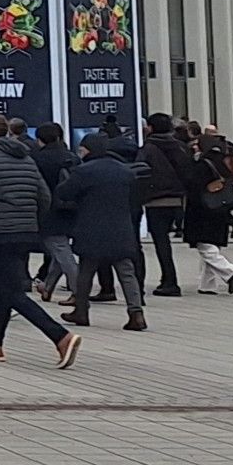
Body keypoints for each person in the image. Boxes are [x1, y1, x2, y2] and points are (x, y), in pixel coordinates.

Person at [0, 119, 81, 369]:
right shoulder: (26, 159)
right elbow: (44, 196)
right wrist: (31, 220)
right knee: (4, 288)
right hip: (25, 231)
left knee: (11, 292)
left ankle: (60, 336)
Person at [56, 131, 147, 332]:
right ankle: (136, 312)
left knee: (86, 271)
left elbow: (64, 192)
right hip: (121, 227)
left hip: (91, 227)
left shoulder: (84, 171)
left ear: (89, 150)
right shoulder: (124, 171)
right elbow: (135, 200)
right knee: (126, 272)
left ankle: (81, 310)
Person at [183, 129, 233, 295]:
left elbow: (193, 186)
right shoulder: (221, 161)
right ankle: (207, 285)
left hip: (202, 210)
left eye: (197, 144)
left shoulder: (201, 164)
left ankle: (230, 271)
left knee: (204, 245)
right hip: (219, 207)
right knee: (213, 245)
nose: (194, 147)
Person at [140, 113, 191, 295]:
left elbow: (140, 172)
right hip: (178, 199)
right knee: (166, 242)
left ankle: (170, 280)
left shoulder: (149, 148)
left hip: (156, 200)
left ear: (151, 128)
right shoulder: (180, 146)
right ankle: (168, 279)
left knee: (161, 242)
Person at [28, 123, 79, 302]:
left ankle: (79, 290)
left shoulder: (37, 159)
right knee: (59, 249)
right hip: (72, 209)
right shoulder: (72, 157)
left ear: (39, 140)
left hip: (49, 211)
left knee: (60, 250)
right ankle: (48, 287)